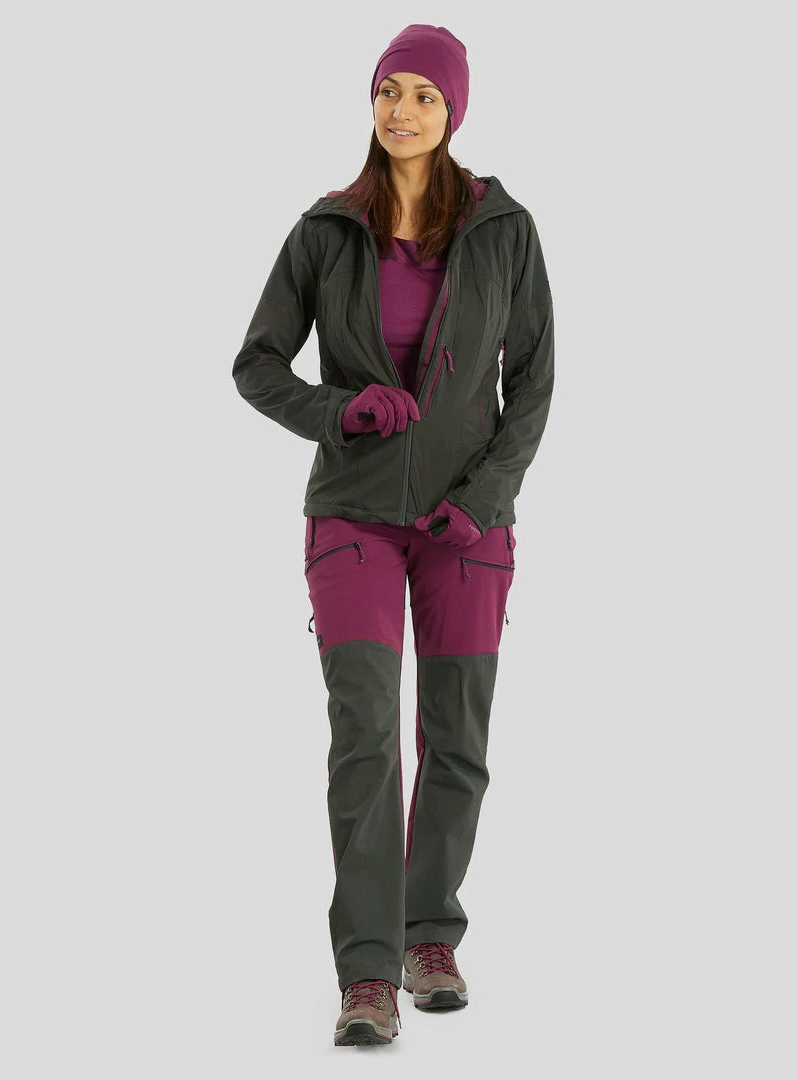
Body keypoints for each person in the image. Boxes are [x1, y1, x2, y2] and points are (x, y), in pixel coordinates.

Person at [232, 23, 554, 1047]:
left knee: (456, 737)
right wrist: (340, 412)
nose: (401, 110)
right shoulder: (327, 231)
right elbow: (257, 364)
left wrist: (487, 495)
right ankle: (367, 971)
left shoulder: (505, 231)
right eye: (388, 91)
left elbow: (533, 383)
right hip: (354, 518)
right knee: (366, 733)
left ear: (453, 111)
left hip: (468, 527)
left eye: (423, 94)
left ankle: (431, 938)